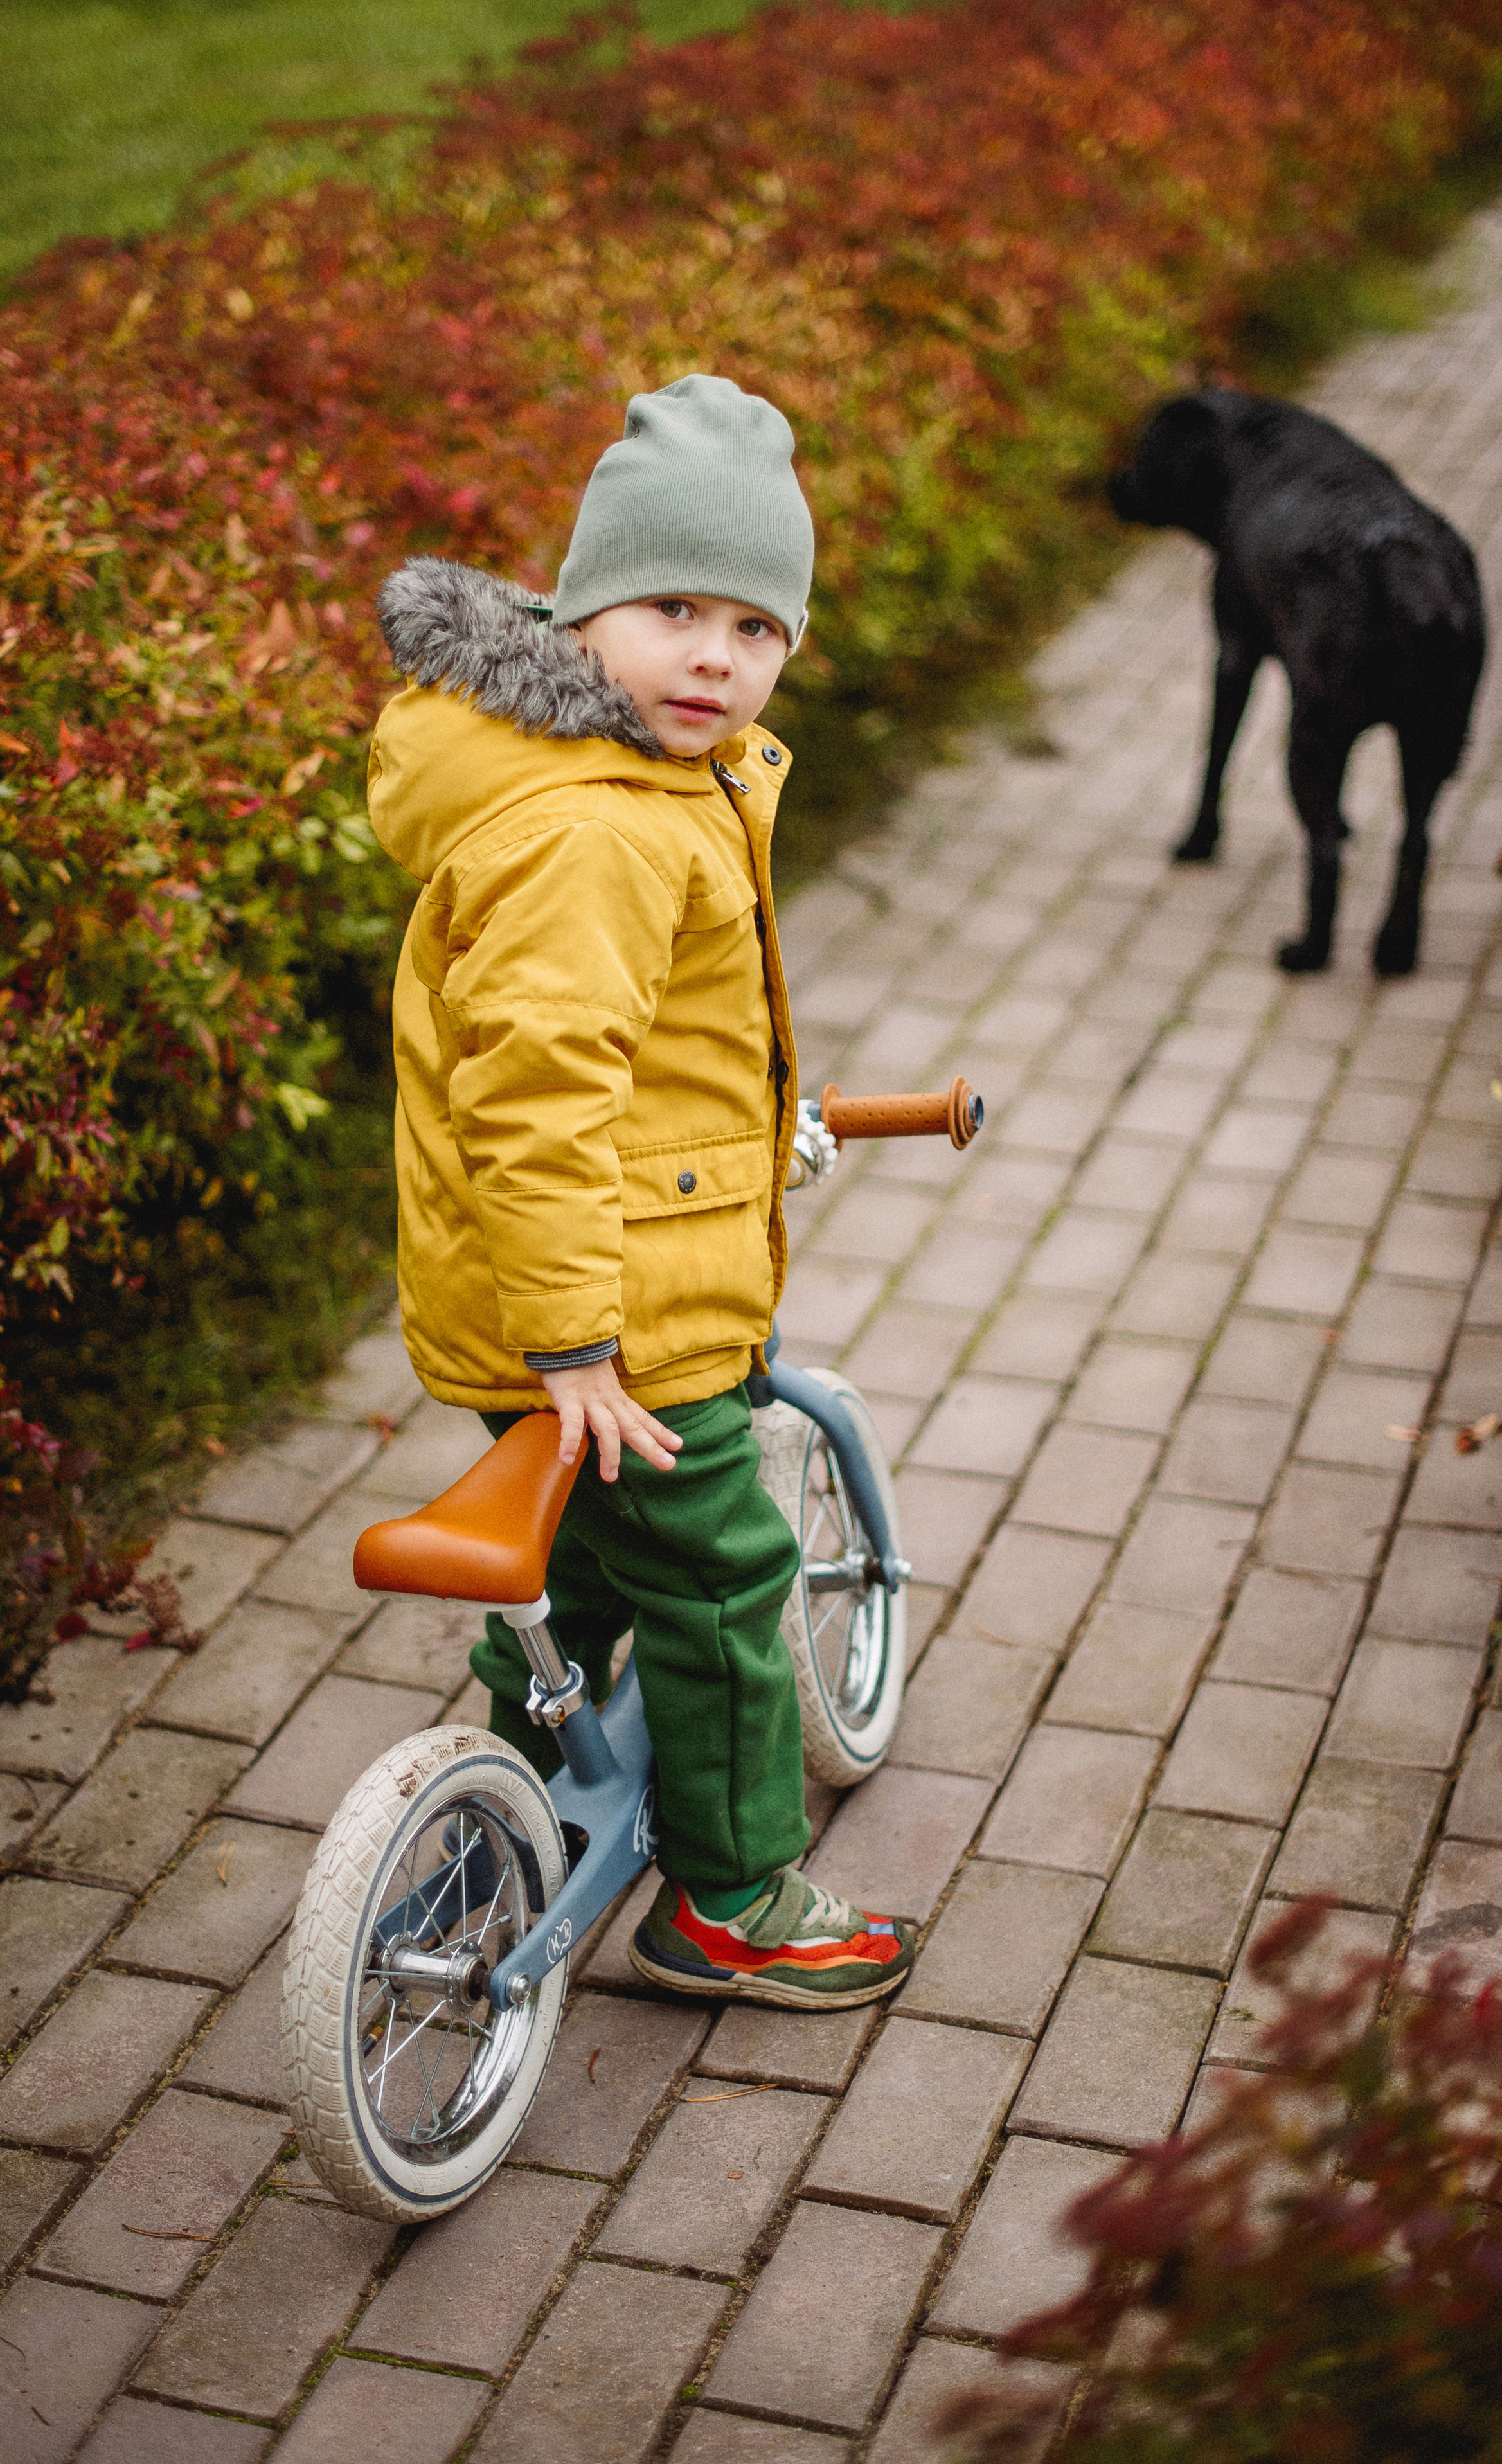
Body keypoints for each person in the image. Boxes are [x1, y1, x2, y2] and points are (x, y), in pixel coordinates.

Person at [367, 373, 914, 2009]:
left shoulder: (646, 778)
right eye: (673, 608)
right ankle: (732, 1896)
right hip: (606, 1316)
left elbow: (644, 1054)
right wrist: (580, 1347)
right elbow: (537, 1101)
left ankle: (512, 1785)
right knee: (726, 1573)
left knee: (590, 1569)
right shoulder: (597, 826)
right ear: (584, 608)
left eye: (756, 630)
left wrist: (752, 1137)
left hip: (557, 1288)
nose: (713, 658)